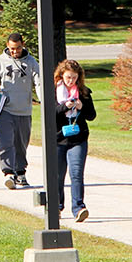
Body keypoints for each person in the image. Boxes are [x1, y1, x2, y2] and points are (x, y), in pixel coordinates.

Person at [0, 33, 41, 190]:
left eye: (18, 48)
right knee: (6, 142)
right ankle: (8, 173)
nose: (15, 52)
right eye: (12, 49)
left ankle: (20, 172)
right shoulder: (0, 61)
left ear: (23, 45)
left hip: (24, 110)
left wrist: (44, 100)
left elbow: (39, 83)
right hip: (5, 110)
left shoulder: (31, 62)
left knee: (21, 144)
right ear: (7, 46)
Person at [53, 59, 96, 223]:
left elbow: (91, 115)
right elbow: (51, 113)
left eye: (74, 78)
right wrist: (65, 106)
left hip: (78, 138)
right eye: (68, 77)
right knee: (57, 175)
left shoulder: (84, 93)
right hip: (58, 138)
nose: (71, 81)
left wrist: (80, 107)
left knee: (76, 173)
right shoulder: (54, 91)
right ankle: (56, 207)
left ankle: (78, 207)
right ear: (61, 75)